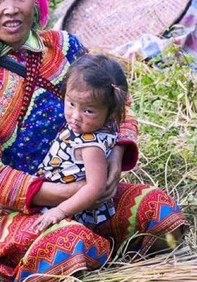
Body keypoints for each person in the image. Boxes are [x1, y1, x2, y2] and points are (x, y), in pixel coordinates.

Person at [0, 0, 187, 282]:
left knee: (161, 212)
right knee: (69, 245)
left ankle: (116, 253)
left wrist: (114, 157)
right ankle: (93, 251)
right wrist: (66, 195)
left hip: (92, 191)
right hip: (14, 211)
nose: (11, 8)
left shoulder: (65, 47)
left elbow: (116, 103)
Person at [34, 54, 128, 233]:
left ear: (110, 112)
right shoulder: (98, 128)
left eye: (88, 111)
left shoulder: (90, 145)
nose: (75, 116)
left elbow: (95, 187)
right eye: (70, 103)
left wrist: (60, 211)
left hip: (71, 209)